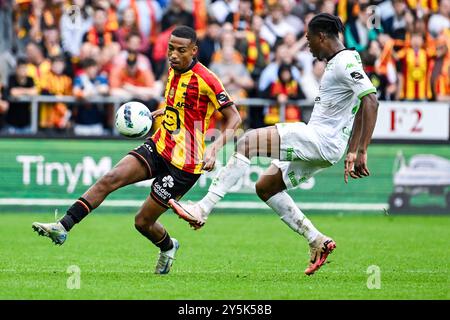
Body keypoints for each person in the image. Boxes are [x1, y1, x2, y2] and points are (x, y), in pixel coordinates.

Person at [170, 14, 379, 276]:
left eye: (309, 39)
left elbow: (371, 101)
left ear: (322, 37)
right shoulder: (348, 60)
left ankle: (202, 208)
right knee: (266, 186)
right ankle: (316, 239)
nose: (308, 45)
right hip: (329, 148)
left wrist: (361, 150)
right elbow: (361, 104)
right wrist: (352, 150)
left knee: (247, 142)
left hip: (319, 139)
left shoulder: (344, 62)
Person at [32, 26, 242, 275]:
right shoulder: (173, 69)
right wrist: (164, 112)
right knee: (109, 179)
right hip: (159, 144)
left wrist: (215, 149)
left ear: (194, 51)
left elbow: (235, 118)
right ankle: (63, 226)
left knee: (142, 222)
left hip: (184, 164)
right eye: (170, 49)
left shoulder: (207, 79)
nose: (173, 55)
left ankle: (168, 246)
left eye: (180, 50)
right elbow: (183, 104)